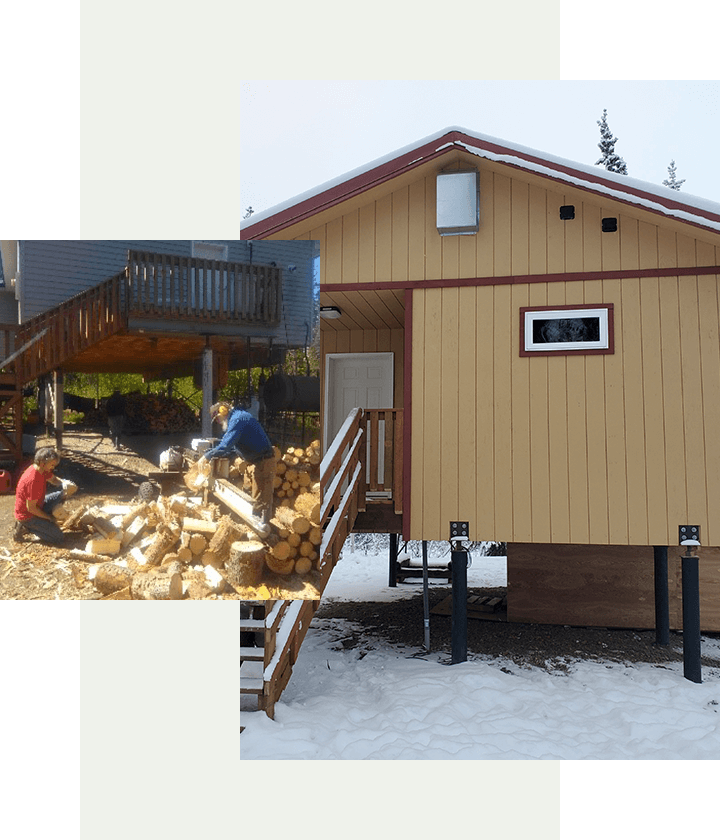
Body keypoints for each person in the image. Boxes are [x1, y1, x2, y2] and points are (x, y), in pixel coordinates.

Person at [200, 402, 275, 525]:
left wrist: (206, 456)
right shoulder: (236, 418)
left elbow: (225, 446)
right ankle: (257, 525)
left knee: (263, 501)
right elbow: (229, 444)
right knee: (256, 499)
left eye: (218, 419)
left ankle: (265, 531)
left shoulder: (237, 420)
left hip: (264, 461)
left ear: (223, 411)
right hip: (257, 461)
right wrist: (212, 452)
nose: (218, 423)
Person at [13, 447, 74, 546]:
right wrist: (49, 518)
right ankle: (27, 528)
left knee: (61, 494)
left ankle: (43, 522)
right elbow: (31, 508)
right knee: (58, 537)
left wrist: (64, 483)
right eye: (52, 465)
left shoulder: (41, 469)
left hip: (38, 504)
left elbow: (53, 479)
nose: (53, 468)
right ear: (42, 463)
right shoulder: (33, 480)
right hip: (28, 516)